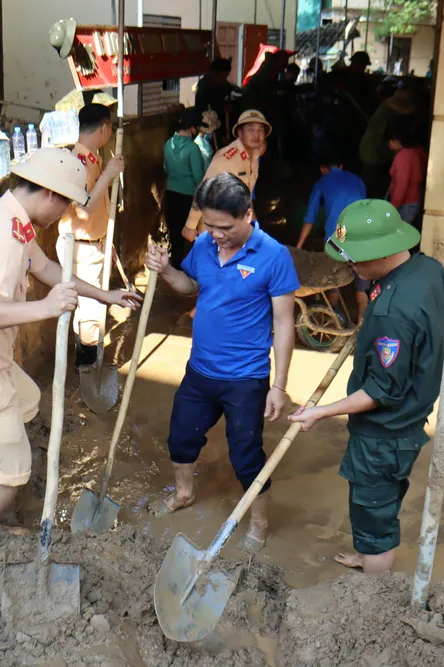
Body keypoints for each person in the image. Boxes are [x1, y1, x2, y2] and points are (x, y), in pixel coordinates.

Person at [0, 148, 141, 532]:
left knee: (26, 402)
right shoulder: (2, 236)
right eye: (65, 205)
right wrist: (46, 308)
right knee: (14, 469)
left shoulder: (8, 216)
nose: (63, 214)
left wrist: (104, 295)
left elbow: (45, 268)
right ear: (50, 194)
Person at [290, 199, 444, 573]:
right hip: (407, 420)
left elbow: (382, 391)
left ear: (382, 251)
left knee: (374, 512)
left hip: (384, 435)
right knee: (374, 506)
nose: (350, 266)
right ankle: (367, 553)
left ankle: (370, 597)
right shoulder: (425, 268)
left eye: (355, 259)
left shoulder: (392, 312)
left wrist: (321, 411)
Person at [146, 173, 299, 554]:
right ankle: (183, 493)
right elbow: (190, 286)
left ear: (249, 214)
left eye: (224, 227)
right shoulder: (202, 245)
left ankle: (259, 523)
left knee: (246, 455)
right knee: (181, 438)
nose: (215, 234)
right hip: (200, 371)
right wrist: (166, 270)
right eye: (209, 225)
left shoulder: (274, 256)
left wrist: (278, 386)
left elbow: (283, 322)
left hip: (246, 379)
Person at [54, 104, 126, 394]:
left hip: (91, 245)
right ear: (105, 128)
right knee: (91, 312)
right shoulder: (79, 161)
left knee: (86, 310)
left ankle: (84, 367)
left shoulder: (91, 157)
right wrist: (109, 175)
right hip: (80, 247)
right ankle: (87, 375)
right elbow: (84, 209)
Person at [297, 155, 368, 321]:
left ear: (322, 169)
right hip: (362, 237)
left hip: (337, 239)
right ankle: (361, 327)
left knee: (332, 278)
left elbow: (310, 217)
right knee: (362, 283)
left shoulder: (322, 182)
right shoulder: (358, 181)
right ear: (341, 166)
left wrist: (299, 246)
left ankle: (331, 320)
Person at [182, 109, 270, 242]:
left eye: (260, 130)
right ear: (240, 133)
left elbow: (246, 195)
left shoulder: (254, 157)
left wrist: (255, 226)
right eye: (250, 130)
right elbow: (204, 190)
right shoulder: (227, 158)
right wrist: (190, 225)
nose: (256, 135)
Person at [163, 108, 209, 267]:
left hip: (170, 193)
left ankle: (175, 265)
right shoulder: (193, 148)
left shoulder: (168, 144)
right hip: (189, 196)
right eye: (196, 127)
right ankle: (190, 268)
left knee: (174, 232)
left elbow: (166, 168)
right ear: (191, 128)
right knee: (190, 233)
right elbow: (199, 177)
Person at [359, 89, 416, 199]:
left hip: (371, 151)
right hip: (372, 152)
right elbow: (387, 136)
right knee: (371, 182)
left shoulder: (385, 110)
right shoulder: (387, 115)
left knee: (370, 180)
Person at [387, 123, 428, 226]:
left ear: (396, 141)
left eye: (390, 142)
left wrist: (393, 206)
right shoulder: (417, 152)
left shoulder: (404, 156)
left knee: (399, 235)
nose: (389, 145)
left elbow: (402, 183)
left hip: (406, 203)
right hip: (414, 199)